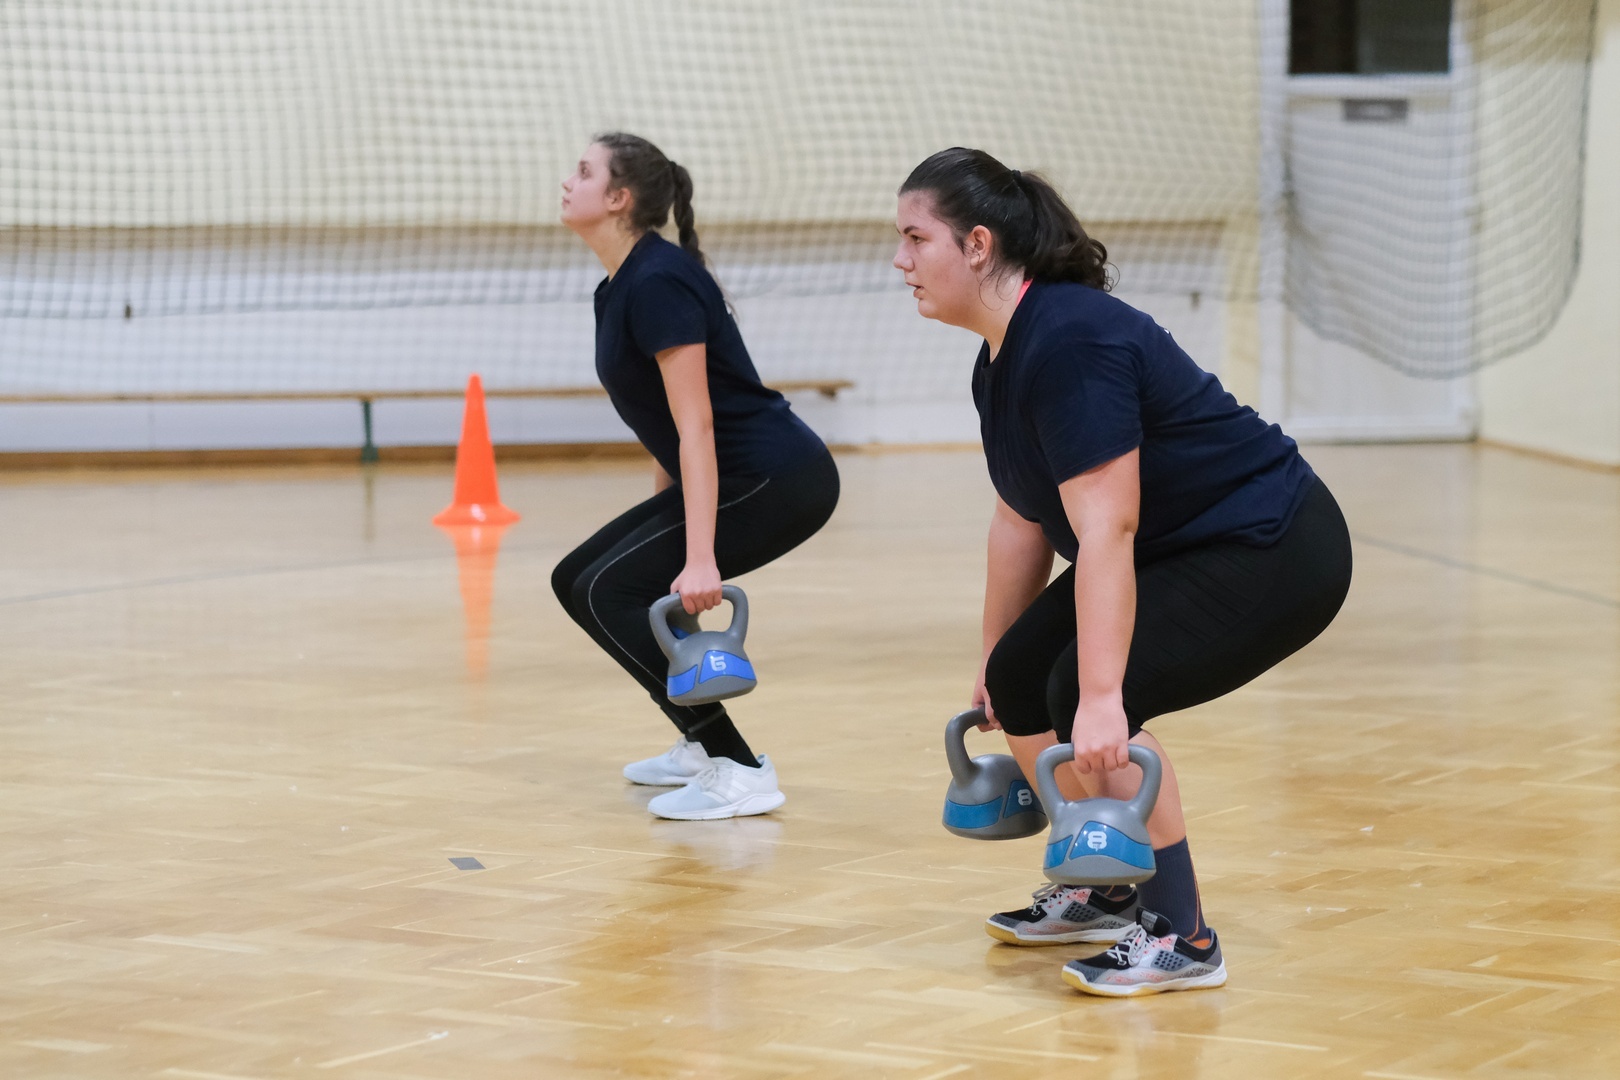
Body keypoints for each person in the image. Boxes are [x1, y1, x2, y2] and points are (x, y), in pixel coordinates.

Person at [893, 148, 1352, 995]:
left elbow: (1108, 526)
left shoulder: (1071, 340)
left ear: (978, 245)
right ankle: (1106, 887)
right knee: (1024, 680)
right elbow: (1020, 516)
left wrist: (1105, 696)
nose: (901, 260)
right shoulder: (999, 356)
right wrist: (993, 657)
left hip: (1271, 544)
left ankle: (1183, 937)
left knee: (1084, 694)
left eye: (917, 239)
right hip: (1175, 545)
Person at [552, 133, 838, 820]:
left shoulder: (659, 281)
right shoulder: (619, 284)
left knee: (609, 591)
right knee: (576, 579)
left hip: (775, 479)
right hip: (731, 477)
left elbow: (697, 425)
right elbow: (665, 424)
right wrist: (668, 527)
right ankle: (696, 743)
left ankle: (736, 766)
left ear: (618, 199)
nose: (567, 181)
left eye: (584, 172)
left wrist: (699, 556)